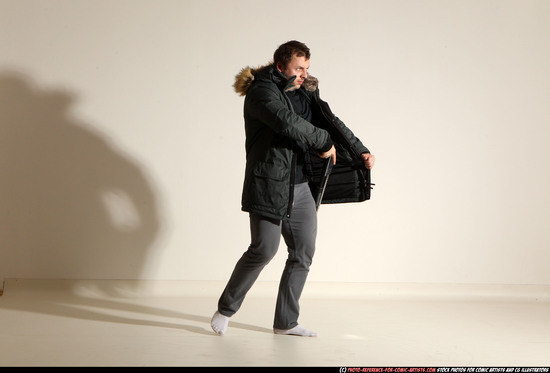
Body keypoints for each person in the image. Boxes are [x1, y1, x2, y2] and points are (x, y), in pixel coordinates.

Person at [211, 40, 375, 337]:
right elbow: (287, 123)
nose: (303, 74)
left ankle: (286, 322)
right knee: (263, 250)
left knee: (303, 253)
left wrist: (360, 149)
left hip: (301, 187)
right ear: (280, 66)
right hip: (269, 186)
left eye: (307, 68)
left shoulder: (305, 92)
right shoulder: (262, 92)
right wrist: (323, 142)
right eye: (298, 68)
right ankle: (225, 309)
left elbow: (330, 120)